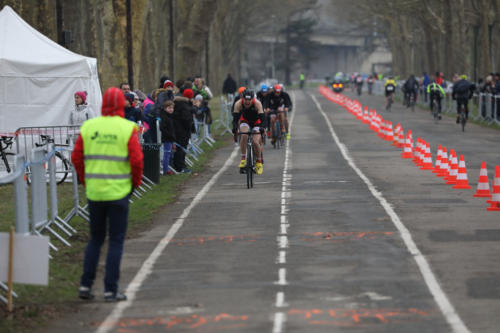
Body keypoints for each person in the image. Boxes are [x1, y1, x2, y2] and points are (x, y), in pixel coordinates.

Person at [72, 87, 143, 302]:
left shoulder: (89, 126)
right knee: (115, 241)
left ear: (103, 105)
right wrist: (135, 184)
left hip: (95, 192)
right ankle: (110, 290)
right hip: (119, 192)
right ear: (122, 104)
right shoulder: (127, 128)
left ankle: (85, 285)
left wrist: (86, 180)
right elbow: (137, 160)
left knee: (95, 239)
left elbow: (76, 158)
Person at [232, 90, 264, 175]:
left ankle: (259, 162)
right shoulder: (238, 104)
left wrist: (262, 128)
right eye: (245, 100)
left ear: (252, 99)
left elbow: (262, 118)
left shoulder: (257, 104)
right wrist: (235, 127)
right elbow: (235, 119)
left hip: (256, 122)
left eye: (249, 100)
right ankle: (243, 158)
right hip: (245, 121)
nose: (247, 102)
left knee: (255, 141)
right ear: (243, 98)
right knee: (244, 136)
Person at [172, 88, 195, 173]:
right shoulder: (185, 105)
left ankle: (179, 165)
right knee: (181, 149)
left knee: (179, 149)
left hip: (177, 129)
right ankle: (180, 167)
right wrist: (190, 127)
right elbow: (186, 119)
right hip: (182, 131)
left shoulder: (177, 103)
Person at [159, 100, 176, 175]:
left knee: (168, 153)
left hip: (170, 138)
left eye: (172, 108)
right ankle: (166, 170)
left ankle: (167, 168)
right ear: (165, 108)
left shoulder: (170, 116)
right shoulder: (164, 117)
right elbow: (163, 128)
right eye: (169, 108)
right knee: (167, 154)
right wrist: (170, 136)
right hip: (167, 139)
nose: (171, 109)